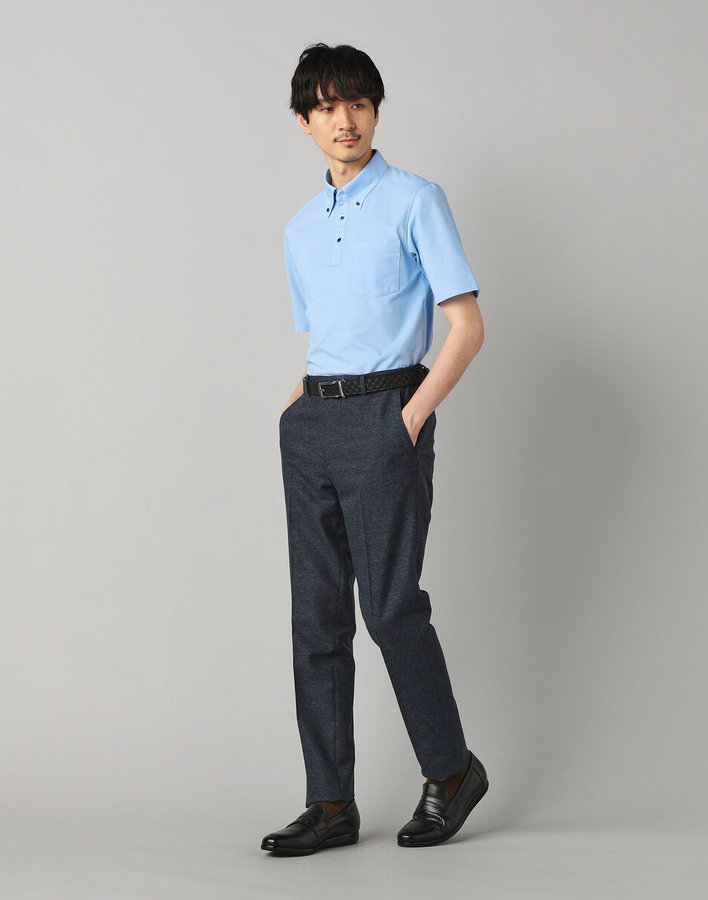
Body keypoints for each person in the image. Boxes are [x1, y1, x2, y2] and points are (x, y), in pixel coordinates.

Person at [261, 43, 487, 855]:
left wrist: (411, 417)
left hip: (387, 415)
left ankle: (452, 772)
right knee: (316, 619)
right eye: (326, 107)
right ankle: (330, 803)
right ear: (304, 122)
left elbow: (467, 327)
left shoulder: (416, 200)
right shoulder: (298, 228)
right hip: (313, 425)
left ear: (376, 111)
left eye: (357, 103)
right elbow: (329, 335)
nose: (344, 120)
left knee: (390, 609)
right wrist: (296, 411)